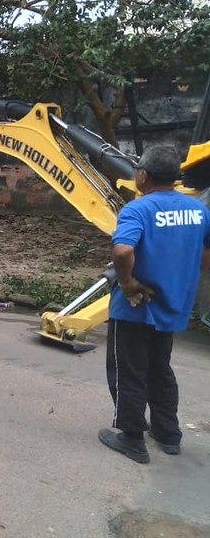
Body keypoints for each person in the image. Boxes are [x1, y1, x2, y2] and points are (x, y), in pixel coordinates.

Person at [99, 144, 210, 464]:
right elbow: (206, 251)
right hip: (172, 305)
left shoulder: (138, 209)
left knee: (128, 371)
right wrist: (183, 274)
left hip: (134, 306)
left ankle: (132, 439)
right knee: (160, 368)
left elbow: (122, 252)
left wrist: (126, 282)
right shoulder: (197, 210)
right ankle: (168, 433)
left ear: (143, 175)